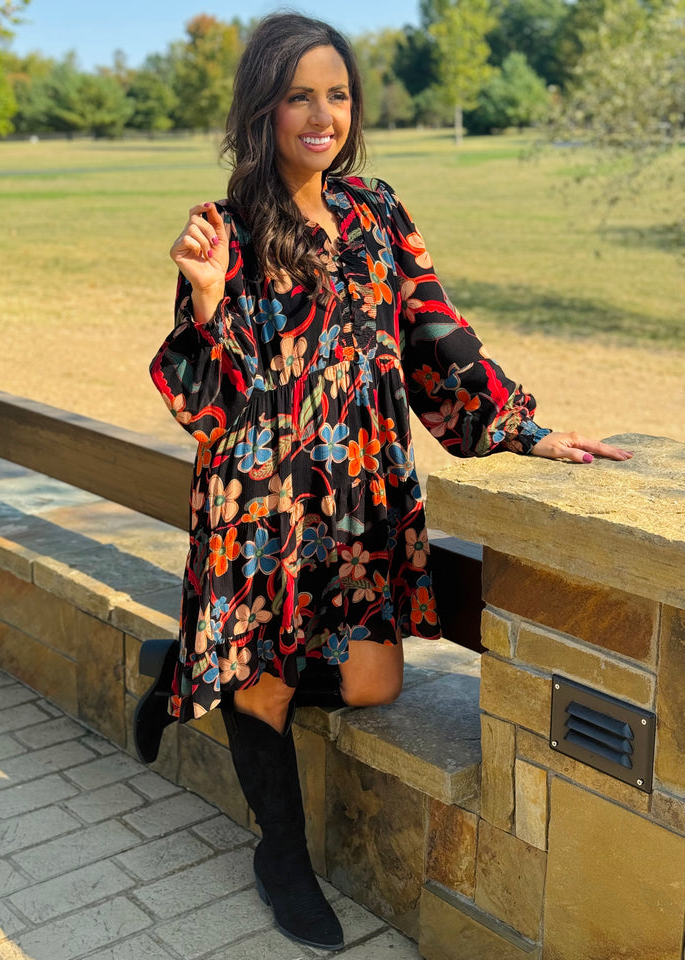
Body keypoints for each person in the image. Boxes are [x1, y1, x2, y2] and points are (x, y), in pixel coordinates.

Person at [134, 12, 632, 952]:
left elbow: (436, 336)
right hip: (262, 499)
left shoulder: (377, 211)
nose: (321, 115)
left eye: (337, 94)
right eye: (298, 96)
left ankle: (193, 675)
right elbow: (208, 405)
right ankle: (281, 856)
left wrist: (526, 429)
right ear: (263, 107)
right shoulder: (225, 226)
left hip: (359, 500)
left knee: (372, 681)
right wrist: (205, 302)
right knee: (271, 684)